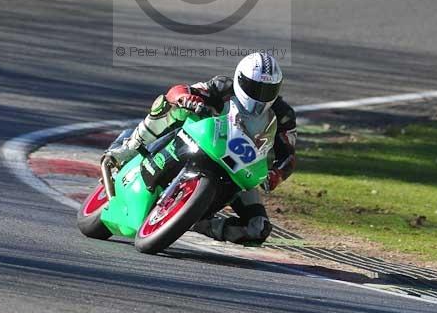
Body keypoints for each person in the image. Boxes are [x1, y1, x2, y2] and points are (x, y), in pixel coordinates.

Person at [103, 52, 297, 246]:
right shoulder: (222, 87)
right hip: (198, 142)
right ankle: (130, 146)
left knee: (257, 228)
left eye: (267, 90)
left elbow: (288, 155)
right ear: (239, 79)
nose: (260, 95)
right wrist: (186, 98)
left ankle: (196, 221)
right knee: (167, 106)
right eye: (254, 87)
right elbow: (178, 91)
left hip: (238, 169)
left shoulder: (283, 115)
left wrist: (275, 175)